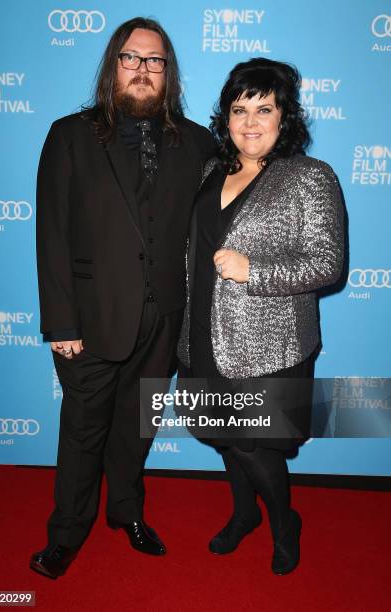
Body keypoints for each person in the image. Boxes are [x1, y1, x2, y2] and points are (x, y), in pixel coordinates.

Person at [31, 17, 215, 579]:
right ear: (113, 66)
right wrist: (60, 321)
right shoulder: (70, 135)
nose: (142, 69)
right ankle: (66, 534)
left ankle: (127, 513)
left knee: (138, 429)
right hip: (90, 320)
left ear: (169, 72)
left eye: (154, 60)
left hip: (164, 321)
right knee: (83, 432)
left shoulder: (198, 143)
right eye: (131, 58)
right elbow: (52, 234)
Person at [177, 57, 344, 575]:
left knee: (252, 443)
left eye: (263, 109)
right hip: (202, 331)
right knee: (224, 434)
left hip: (268, 341)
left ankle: (282, 523)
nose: (250, 122)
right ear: (225, 118)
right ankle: (244, 514)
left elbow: (327, 264)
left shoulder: (310, 177)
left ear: (284, 116)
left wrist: (255, 270)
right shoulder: (211, 170)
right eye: (238, 109)